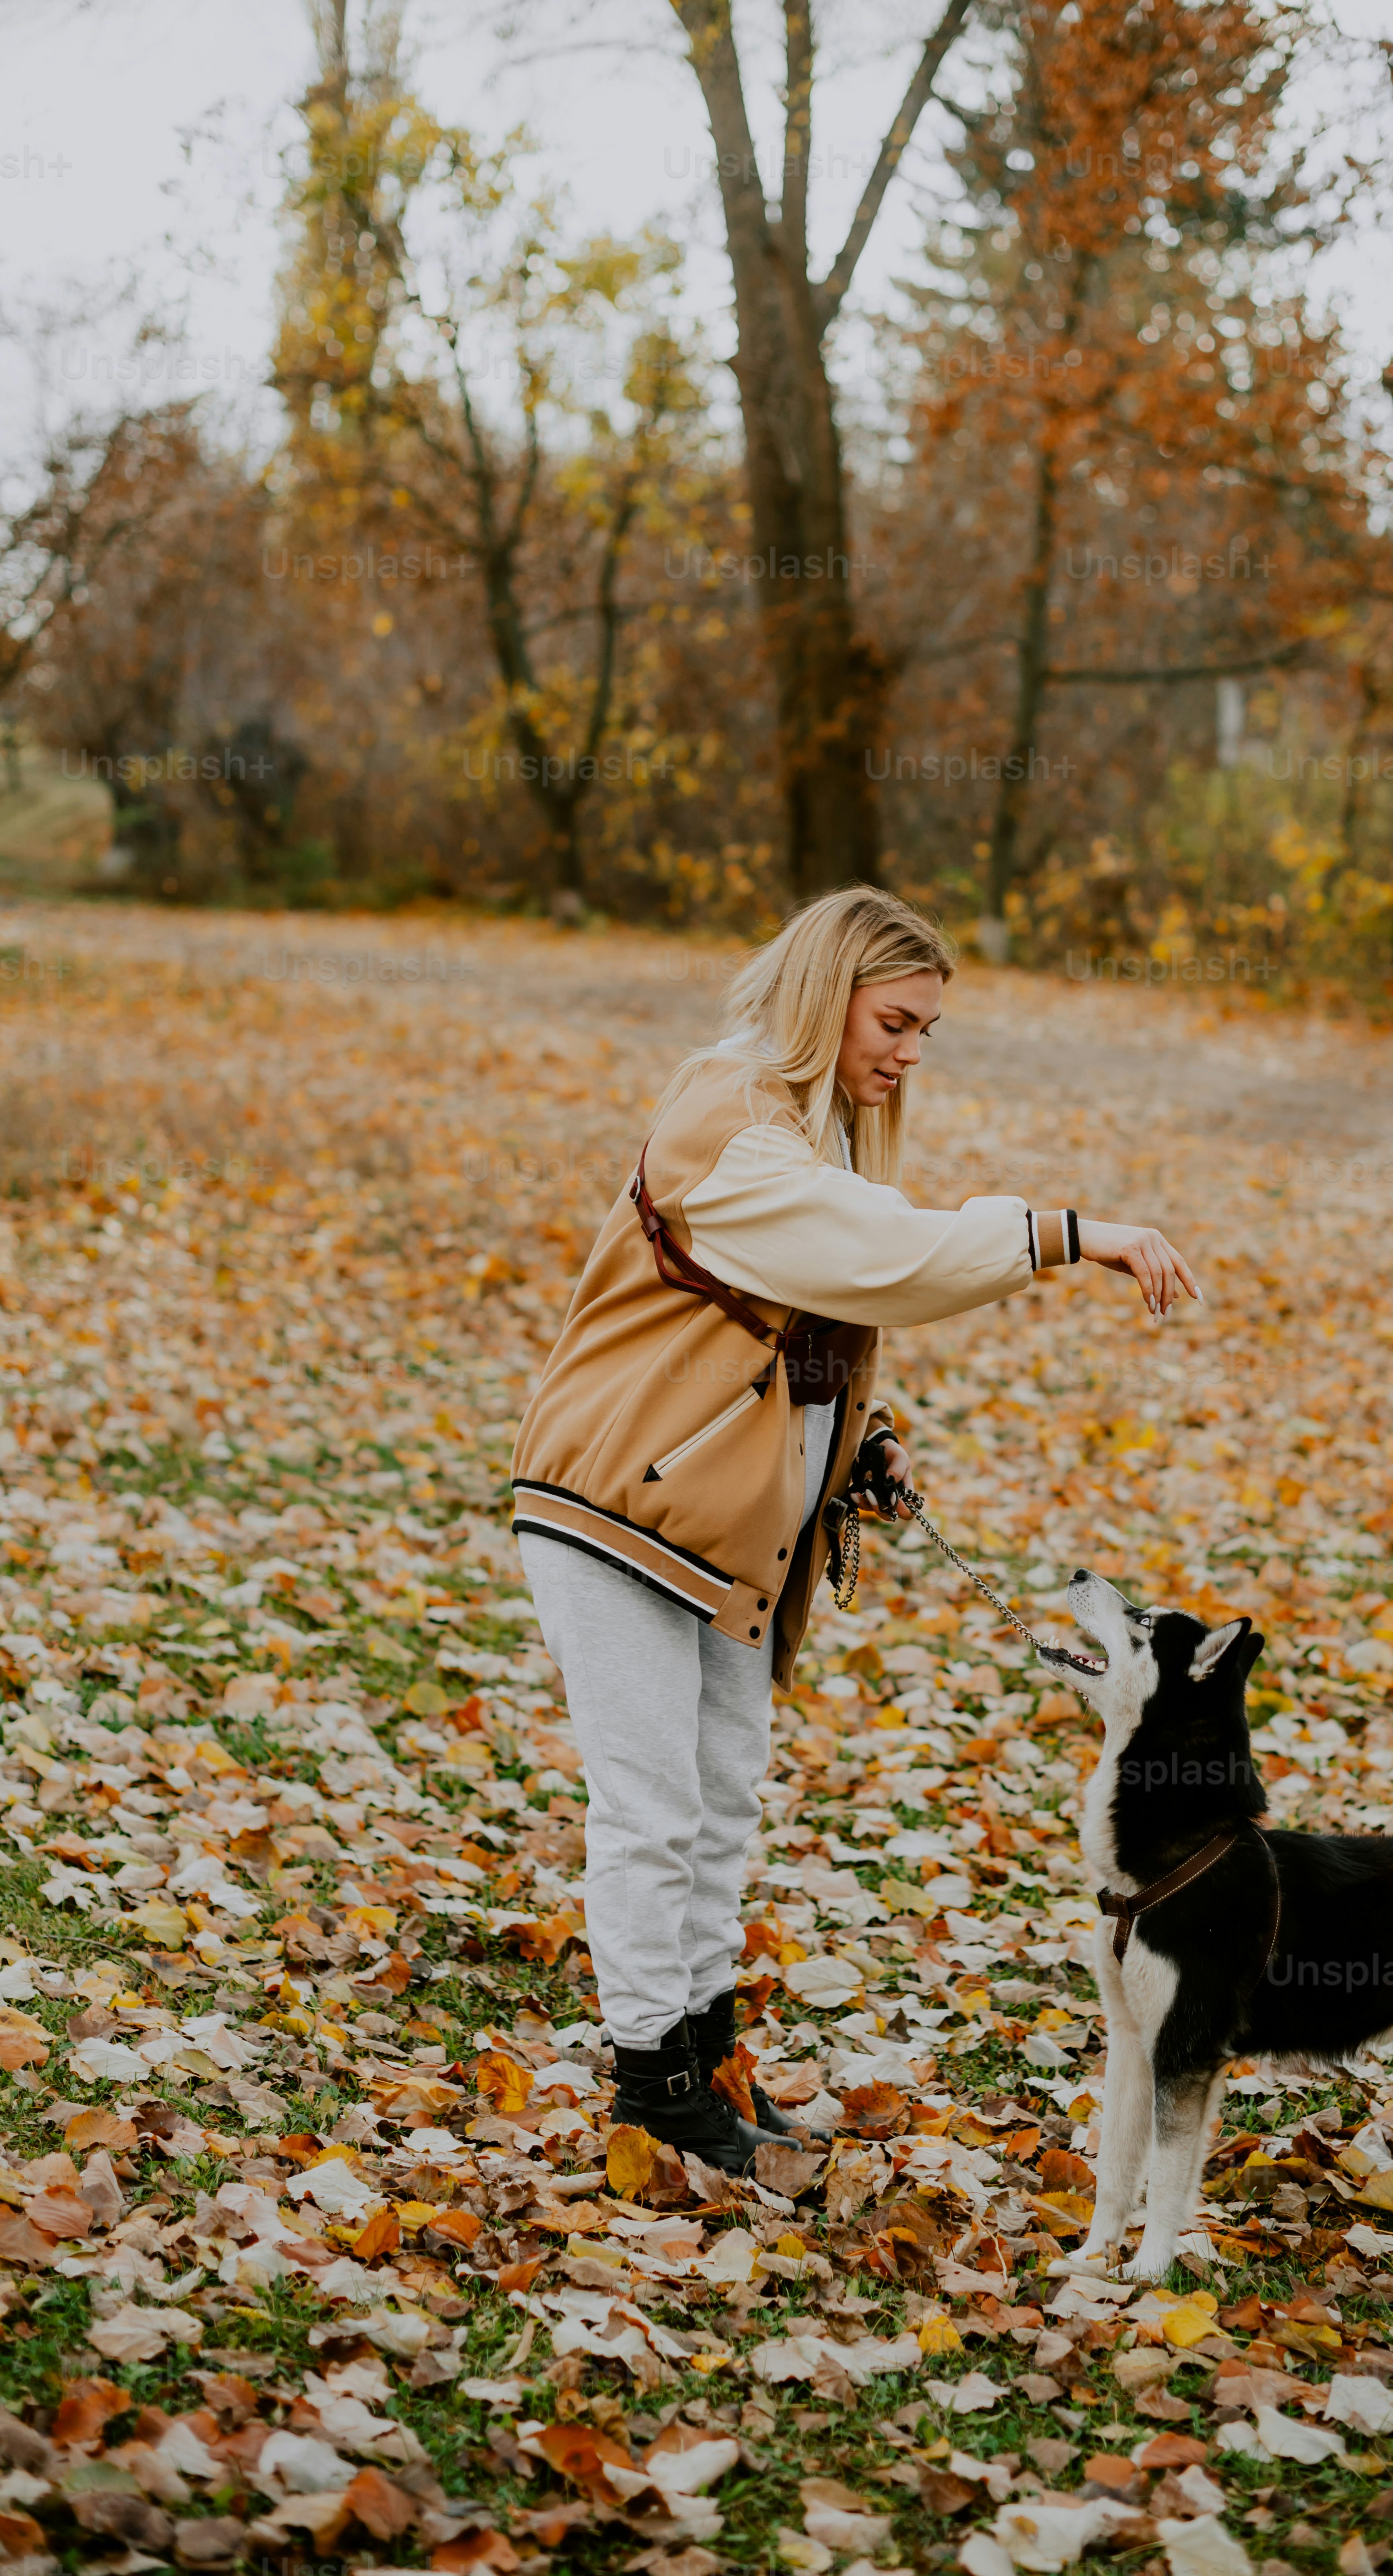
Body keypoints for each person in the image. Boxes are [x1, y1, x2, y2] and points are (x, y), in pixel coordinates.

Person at [511, 887, 1200, 2168]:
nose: (910, 1053)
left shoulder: (812, 1132)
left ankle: (701, 2059)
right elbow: (876, 1252)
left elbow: (797, 1325)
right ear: (827, 994)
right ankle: (653, 2092)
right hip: (619, 1503)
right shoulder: (728, 1119)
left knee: (721, 1796)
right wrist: (1067, 1238)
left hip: (728, 1520)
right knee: (654, 1805)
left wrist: (856, 1447)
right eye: (896, 1020)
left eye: (929, 1030)